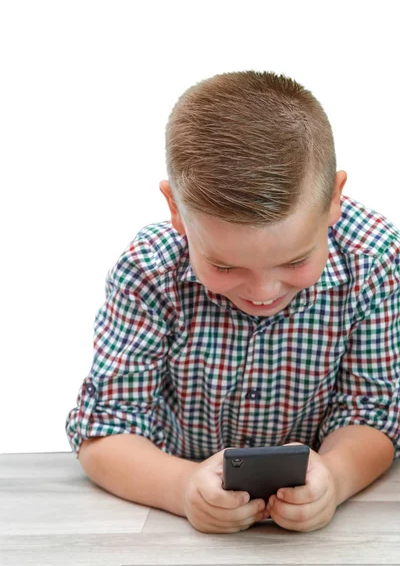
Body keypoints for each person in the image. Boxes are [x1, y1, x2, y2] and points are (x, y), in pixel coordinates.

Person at [65, 70, 400, 534]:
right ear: (176, 212)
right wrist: (182, 487)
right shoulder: (149, 271)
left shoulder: (373, 260)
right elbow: (104, 431)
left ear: (334, 200)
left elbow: (374, 412)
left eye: (296, 260)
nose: (262, 293)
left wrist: (336, 478)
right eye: (224, 267)